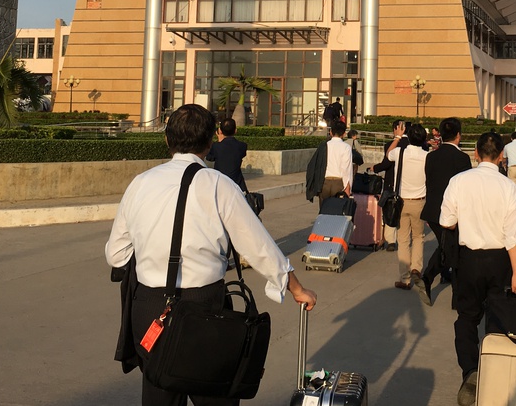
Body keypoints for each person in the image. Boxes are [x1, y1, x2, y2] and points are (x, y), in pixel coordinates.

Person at [105, 103, 317, 406]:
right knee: (213, 393)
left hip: (150, 309)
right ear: (209, 143)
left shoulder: (140, 183)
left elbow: (116, 255)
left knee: (159, 394)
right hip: (204, 308)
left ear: (167, 140)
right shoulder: (219, 185)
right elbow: (258, 247)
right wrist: (296, 289)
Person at [440, 131, 516, 406]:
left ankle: (470, 370)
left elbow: (447, 222)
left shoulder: (459, 181)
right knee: (497, 317)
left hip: (468, 259)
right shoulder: (509, 187)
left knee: (467, 318)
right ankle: (495, 372)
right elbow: (513, 236)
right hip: (499, 260)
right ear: (501, 156)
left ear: (476, 153)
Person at [416, 117, 472, 304]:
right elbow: (464, 189)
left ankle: (436, 279)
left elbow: (430, 182)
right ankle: (451, 292)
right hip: (453, 213)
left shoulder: (431, 157)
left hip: (432, 211)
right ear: (458, 135)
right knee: (454, 250)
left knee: (448, 247)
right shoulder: (462, 158)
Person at [388, 122, 429, 290]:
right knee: (418, 237)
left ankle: (404, 278)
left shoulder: (400, 152)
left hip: (402, 202)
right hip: (420, 201)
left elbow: (388, 154)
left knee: (403, 239)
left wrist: (398, 137)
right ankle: (416, 268)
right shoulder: (427, 156)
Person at [305, 119, 354, 209]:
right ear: (344, 134)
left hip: (324, 183)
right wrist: (348, 188)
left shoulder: (324, 146)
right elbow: (346, 169)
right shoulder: (346, 147)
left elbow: (314, 165)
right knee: (337, 211)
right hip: (339, 184)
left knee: (324, 211)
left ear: (331, 132)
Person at [373, 120, 407, 252]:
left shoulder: (390, 145)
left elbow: (386, 163)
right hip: (406, 183)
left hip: (391, 182)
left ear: (395, 129)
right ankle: (403, 238)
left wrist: (375, 168)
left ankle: (391, 241)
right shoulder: (411, 144)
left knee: (390, 210)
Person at [207, 117, 248, 192]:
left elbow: (209, 158)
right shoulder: (242, 146)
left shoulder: (216, 146)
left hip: (220, 183)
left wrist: (220, 141)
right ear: (235, 131)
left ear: (220, 131)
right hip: (237, 184)